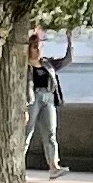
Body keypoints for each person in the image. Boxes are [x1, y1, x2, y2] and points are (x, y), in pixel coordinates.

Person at [25, 27, 64, 173]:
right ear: (29, 48)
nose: (38, 50)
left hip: (48, 98)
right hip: (32, 98)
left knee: (50, 133)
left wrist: (69, 42)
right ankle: (19, 167)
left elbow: (67, 61)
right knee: (27, 132)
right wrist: (24, 107)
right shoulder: (25, 66)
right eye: (35, 47)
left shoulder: (46, 64)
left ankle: (54, 166)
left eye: (40, 47)